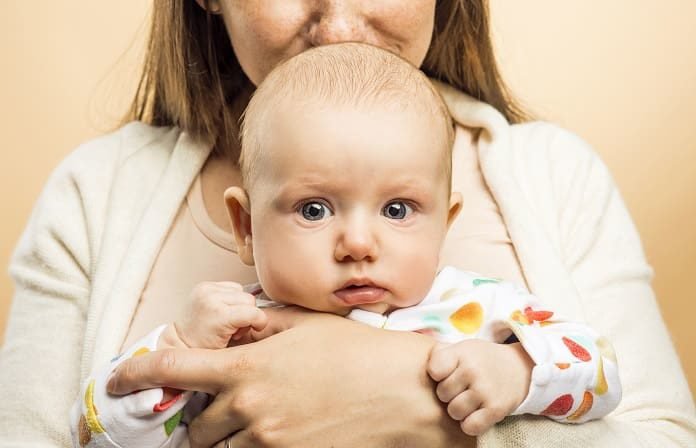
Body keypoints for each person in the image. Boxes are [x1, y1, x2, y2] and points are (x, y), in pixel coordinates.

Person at [1, 1, 695, 447]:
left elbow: (606, 379)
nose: (335, 26)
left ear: (445, 220)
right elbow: (89, 428)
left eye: (399, 210)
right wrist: (178, 353)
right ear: (243, 227)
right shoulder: (222, 311)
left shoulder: (480, 303)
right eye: (311, 209)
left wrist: (480, 390)